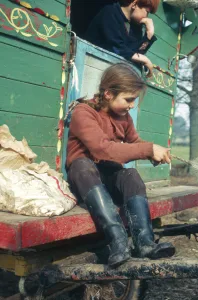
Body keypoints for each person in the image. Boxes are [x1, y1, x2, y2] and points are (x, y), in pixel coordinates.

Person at [66, 63, 175, 268]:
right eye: (128, 99)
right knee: (82, 165)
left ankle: (145, 243)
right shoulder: (84, 112)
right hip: (87, 182)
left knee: (131, 175)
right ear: (108, 93)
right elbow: (102, 149)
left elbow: (134, 143)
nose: (132, 105)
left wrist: (155, 150)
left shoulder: (123, 117)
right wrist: (148, 149)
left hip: (108, 176)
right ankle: (118, 242)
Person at [85, 0, 159, 77]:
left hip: (110, 74)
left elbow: (134, 54)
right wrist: (145, 59)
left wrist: (149, 35)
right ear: (134, 4)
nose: (147, 17)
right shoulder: (110, 12)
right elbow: (116, 48)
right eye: (147, 12)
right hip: (90, 66)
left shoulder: (135, 27)